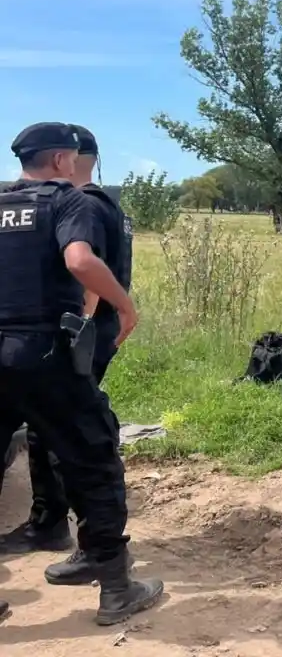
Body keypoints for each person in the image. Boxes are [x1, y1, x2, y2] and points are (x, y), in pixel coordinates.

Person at [0, 123, 162, 625]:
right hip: (44, 354)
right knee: (94, 456)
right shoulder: (64, 202)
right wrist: (125, 305)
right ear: (60, 162)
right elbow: (79, 259)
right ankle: (116, 585)